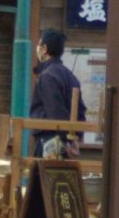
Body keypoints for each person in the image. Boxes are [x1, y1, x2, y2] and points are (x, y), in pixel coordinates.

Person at [31, 28, 84, 157]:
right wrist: (75, 138)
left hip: (51, 141)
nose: (37, 48)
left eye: (39, 45)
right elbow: (80, 110)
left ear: (44, 49)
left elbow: (55, 112)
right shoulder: (70, 76)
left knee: (45, 171)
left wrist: (66, 140)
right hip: (66, 141)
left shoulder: (47, 76)